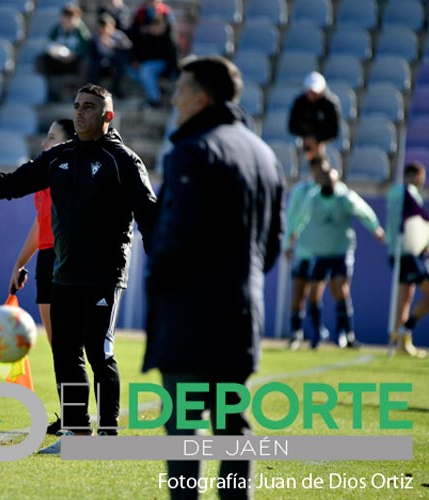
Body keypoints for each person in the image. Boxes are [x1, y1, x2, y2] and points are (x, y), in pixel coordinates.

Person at [0, 83, 157, 452]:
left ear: (108, 116)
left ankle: (108, 432)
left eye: (89, 107)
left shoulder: (122, 161)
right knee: (66, 352)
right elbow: (11, 184)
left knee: (98, 350)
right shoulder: (59, 157)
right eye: (76, 105)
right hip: (65, 272)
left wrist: (165, 267)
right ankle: (76, 431)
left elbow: (149, 216)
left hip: (105, 274)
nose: (79, 112)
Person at [144, 55, 284, 499]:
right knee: (232, 427)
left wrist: (159, 278)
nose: (174, 99)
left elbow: (176, 237)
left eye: (181, 91)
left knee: (185, 432)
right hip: (242, 318)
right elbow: (272, 247)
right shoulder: (265, 155)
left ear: (202, 98)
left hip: (190, 322)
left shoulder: (194, 150)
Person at [8, 118, 76, 435]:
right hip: (47, 259)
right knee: (58, 343)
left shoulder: (68, 177)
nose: (44, 144)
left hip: (67, 256)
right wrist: (19, 263)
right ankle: (71, 413)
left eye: (51, 138)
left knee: (70, 344)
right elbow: (40, 225)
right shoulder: (44, 180)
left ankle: (77, 416)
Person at [289, 163, 386, 349]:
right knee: (314, 294)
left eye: (330, 180)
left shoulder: (345, 198)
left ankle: (346, 333)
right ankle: (317, 333)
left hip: (340, 252)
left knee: (340, 291)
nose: (326, 183)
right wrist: (294, 234)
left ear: (336, 181)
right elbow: (301, 217)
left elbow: (364, 211)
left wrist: (376, 228)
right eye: (323, 180)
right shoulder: (313, 198)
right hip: (320, 253)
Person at [283, 157, 332, 349]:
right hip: (303, 251)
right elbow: (292, 217)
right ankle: (296, 333)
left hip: (321, 252)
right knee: (298, 292)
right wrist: (288, 244)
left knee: (315, 294)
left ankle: (317, 332)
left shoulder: (332, 193)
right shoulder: (301, 191)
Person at [386, 162, 429, 357]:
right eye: (422, 176)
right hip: (407, 252)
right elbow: (419, 216)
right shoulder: (406, 192)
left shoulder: (397, 192)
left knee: (406, 296)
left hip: (401, 251)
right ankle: (405, 330)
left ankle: (401, 339)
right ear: (414, 176)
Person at [128, 0, 179, 108]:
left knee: (146, 71)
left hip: (162, 65)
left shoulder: (169, 37)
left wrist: (165, 76)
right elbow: (136, 43)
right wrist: (135, 60)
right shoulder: (145, 27)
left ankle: (154, 100)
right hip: (146, 63)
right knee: (132, 71)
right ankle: (155, 88)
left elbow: (173, 59)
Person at [288, 72, 341, 162]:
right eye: (310, 91)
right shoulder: (300, 103)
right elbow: (292, 126)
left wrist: (318, 139)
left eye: (315, 92)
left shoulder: (329, 104)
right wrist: (307, 136)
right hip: (305, 140)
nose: (312, 95)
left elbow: (333, 130)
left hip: (324, 142)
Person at [37, 4, 92, 80]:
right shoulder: (57, 29)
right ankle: (46, 84)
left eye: (70, 18)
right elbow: (49, 43)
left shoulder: (80, 30)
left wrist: (74, 55)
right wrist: (54, 53)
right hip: (58, 59)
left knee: (86, 62)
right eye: (65, 17)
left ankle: (79, 85)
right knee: (41, 60)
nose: (67, 21)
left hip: (74, 61)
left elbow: (85, 46)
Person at [86, 14, 133, 98]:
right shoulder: (95, 37)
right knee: (93, 66)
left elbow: (128, 47)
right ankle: (94, 91)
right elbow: (91, 52)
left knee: (120, 65)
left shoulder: (119, 35)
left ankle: (117, 89)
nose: (104, 30)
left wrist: (114, 45)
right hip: (100, 62)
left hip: (115, 62)